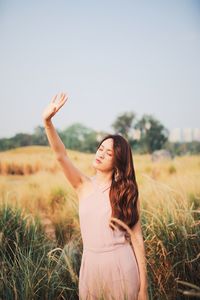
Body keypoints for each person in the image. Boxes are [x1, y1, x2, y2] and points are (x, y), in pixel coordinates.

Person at [42, 93, 149, 300]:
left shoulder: (126, 192)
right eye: (100, 148)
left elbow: (136, 238)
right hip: (90, 266)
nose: (100, 154)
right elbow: (60, 155)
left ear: (118, 161)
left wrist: (143, 287)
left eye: (108, 153)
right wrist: (47, 123)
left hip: (122, 266)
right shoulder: (82, 185)